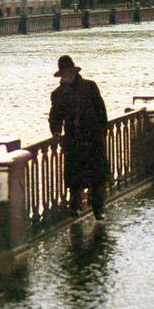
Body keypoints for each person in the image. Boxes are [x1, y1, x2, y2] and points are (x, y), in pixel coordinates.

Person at [49, 55, 109, 220]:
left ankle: (98, 209)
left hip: (93, 139)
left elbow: (101, 110)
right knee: (74, 178)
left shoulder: (89, 87)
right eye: (64, 74)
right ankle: (74, 207)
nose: (66, 76)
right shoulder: (58, 94)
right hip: (73, 141)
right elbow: (55, 116)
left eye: (68, 72)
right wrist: (56, 132)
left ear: (73, 72)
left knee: (97, 177)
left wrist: (102, 131)